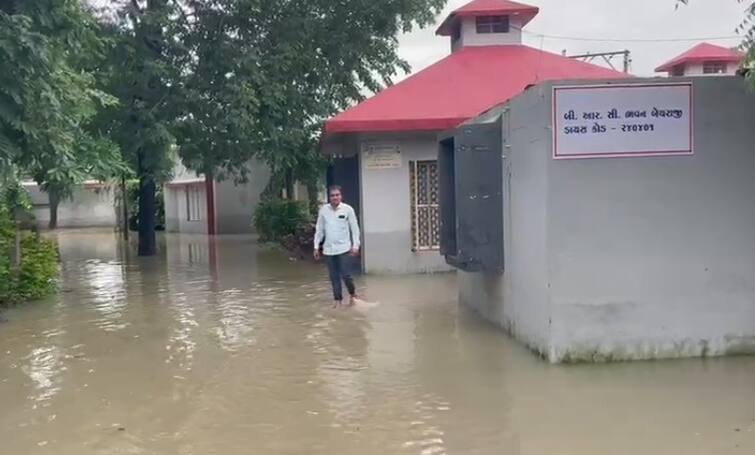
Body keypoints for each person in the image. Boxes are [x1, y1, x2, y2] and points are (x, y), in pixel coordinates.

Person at [314, 185, 361, 308]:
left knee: (346, 275)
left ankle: (353, 294)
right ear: (329, 197)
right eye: (332, 195)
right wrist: (316, 246)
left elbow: (354, 229)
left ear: (341, 196)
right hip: (329, 250)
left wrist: (356, 245)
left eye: (337, 195)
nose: (335, 197)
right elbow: (320, 230)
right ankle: (337, 301)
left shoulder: (347, 210)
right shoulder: (324, 210)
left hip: (344, 248)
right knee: (334, 277)